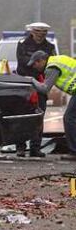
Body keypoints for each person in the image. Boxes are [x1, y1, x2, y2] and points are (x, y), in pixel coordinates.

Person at [15, 22, 56, 158]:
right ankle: (20, 147)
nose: (41, 35)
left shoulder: (50, 47)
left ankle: (35, 148)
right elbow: (22, 62)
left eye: (43, 33)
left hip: (40, 84)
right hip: (25, 84)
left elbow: (52, 63)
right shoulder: (22, 44)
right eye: (38, 32)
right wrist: (37, 64)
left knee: (39, 116)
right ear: (32, 32)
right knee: (22, 115)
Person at [28, 50, 76, 157]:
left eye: (34, 64)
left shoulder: (52, 67)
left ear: (41, 61)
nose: (34, 67)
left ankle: (74, 151)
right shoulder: (58, 59)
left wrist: (32, 80)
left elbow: (45, 89)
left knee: (69, 118)